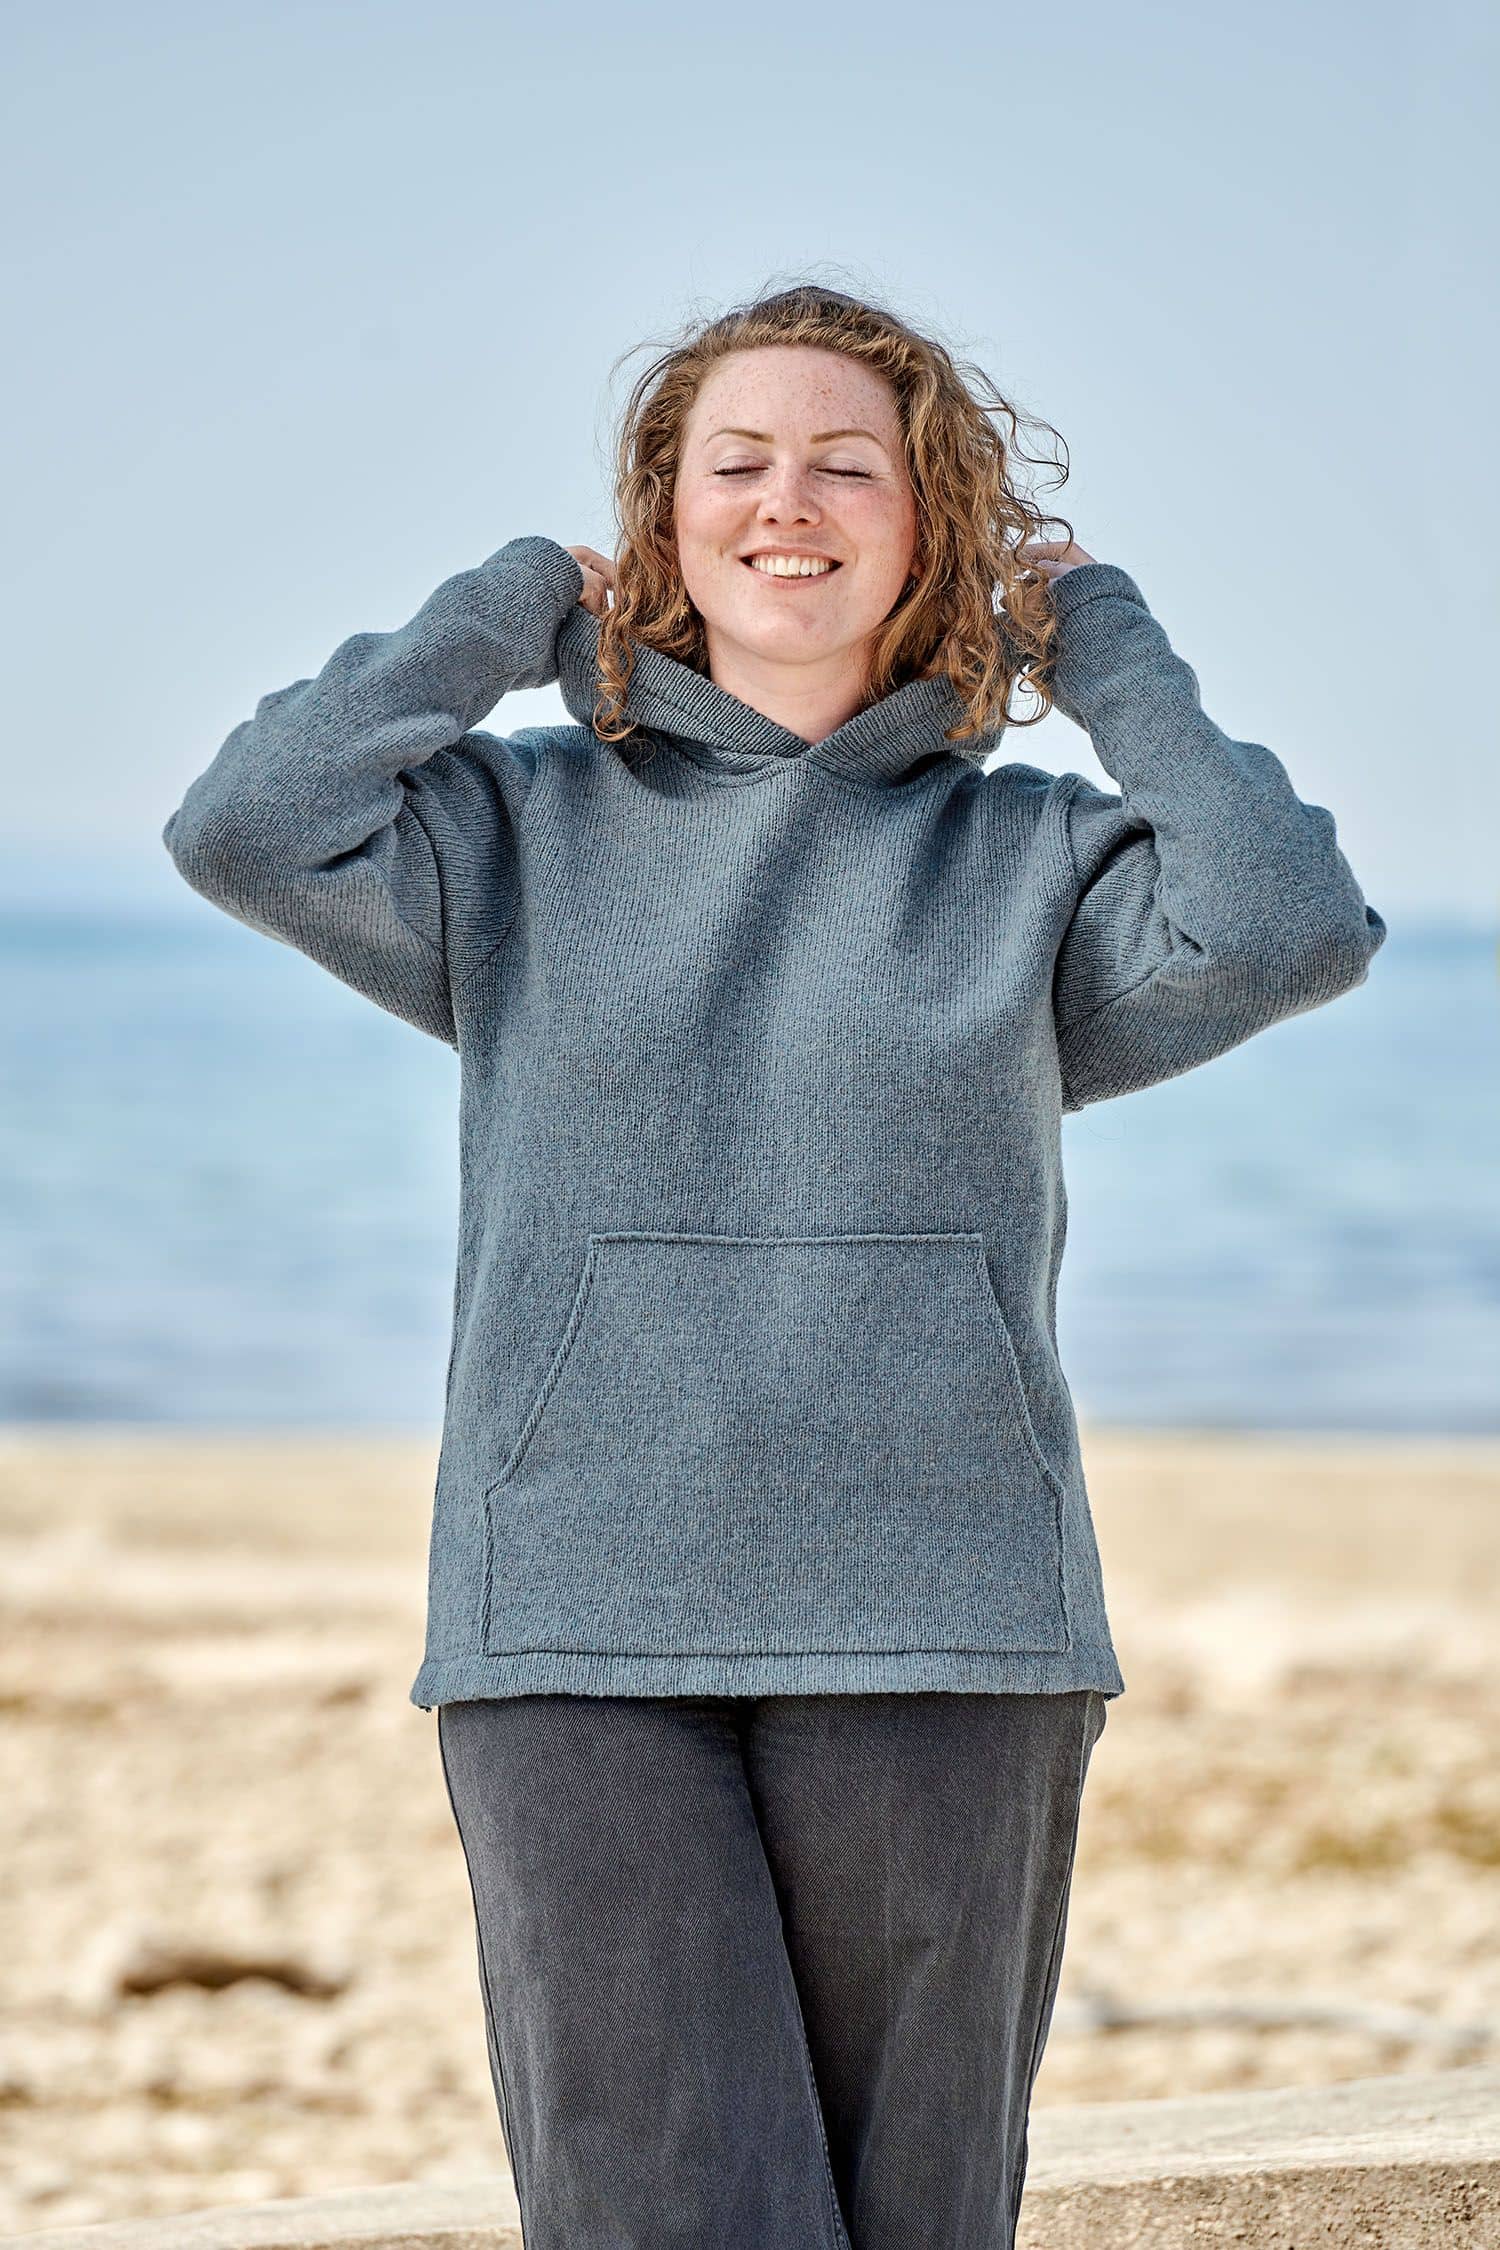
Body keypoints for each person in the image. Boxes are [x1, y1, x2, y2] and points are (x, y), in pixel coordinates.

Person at [161, 280, 1386, 2248]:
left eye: (848, 466)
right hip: (578, 1623)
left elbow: (1285, 925)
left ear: (933, 530)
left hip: (948, 1619)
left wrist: (1111, 651)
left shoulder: (1039, 865)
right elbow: (245, 824)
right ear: (662, 524)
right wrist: (498, 611)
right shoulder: (503, 828)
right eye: (735, 463)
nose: (786, 501)